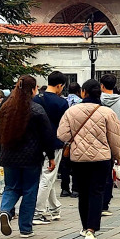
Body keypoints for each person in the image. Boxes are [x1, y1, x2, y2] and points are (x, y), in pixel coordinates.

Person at [0, 75, 57, 237]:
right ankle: (25, 228)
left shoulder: (5, 108)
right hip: (31, 157)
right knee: (29, 190)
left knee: (11, 187)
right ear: (33, 89)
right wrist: (51, 156)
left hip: (9, 155)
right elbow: (47, 135)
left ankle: (5, 211)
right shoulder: (36, 110)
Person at [58, 80, 120, 239]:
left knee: (83, 192)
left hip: (78, 158)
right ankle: (92, 229)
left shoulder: (72, 111)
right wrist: (117, 156)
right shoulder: (107, 113)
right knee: (97, 191)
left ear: (83, 92)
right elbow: (115, 139)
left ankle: (85, 225)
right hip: (102, 158)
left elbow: (62, 135)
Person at [31, 73, 71, 222]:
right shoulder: (62, 103)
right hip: (54, 142)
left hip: (37, 142)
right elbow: (64, 125)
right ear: (60, 85)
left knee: (48, 176)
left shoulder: (36, 99)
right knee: (48, 176)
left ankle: (54, 208)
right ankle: (37, 212)